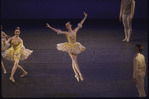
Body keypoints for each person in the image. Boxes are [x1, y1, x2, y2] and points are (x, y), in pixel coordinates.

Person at [46, 12, 87, 82]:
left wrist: (85, 17)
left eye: (68, 25)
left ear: (70, 25)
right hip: (70, 47)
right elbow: (58, 31)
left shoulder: (75, 31)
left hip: (76, 46)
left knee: (73, 61)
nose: (67, 26)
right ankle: (80, 74)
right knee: (74, 60)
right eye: (66, 26)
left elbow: (80, 24)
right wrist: (50, 27)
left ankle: (76, 74)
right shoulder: (66, 33)